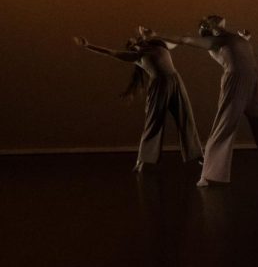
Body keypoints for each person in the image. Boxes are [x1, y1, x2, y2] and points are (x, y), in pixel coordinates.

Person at [157, 16, 258, 187]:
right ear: (211, 27)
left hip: (255, 82)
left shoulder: (233, 37)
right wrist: (156, 35)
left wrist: (244, 38)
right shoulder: (214, 42)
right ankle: (207, 174)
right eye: (214, 21)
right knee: (224, 126)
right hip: (236, 83)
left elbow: (239, 47)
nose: (221, 22)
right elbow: (184, 40)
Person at [73, 27, 203, 172]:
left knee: (185, 117)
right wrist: (88, 46)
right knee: (154, 123)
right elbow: (111, 52)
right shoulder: (137, 56)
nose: (133, 44)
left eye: (134, 41)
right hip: (159, 86)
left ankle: (197, 155)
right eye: (130, 45)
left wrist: (183, 37)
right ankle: (143, 160)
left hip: (175, 81)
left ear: (140, 41)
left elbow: (177, 43)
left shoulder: (159, 45)